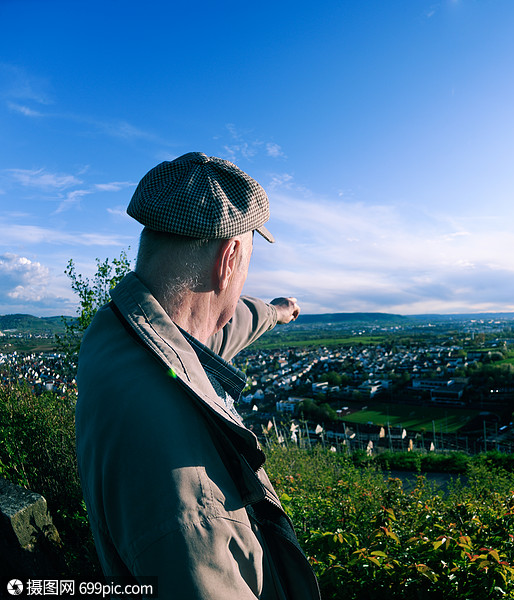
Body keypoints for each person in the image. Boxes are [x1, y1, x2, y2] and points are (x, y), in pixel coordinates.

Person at [76, 152, 320, 599]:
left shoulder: (116, 333)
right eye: (247, 259)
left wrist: (276, 312)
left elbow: (219, 329)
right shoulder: (192, 505)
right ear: (229, 258)